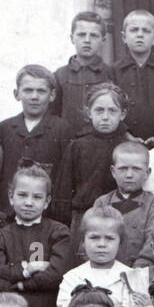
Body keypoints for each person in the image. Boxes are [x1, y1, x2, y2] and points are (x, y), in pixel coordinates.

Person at [0, 162, 72, 307]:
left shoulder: (58, 232)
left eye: (37, 197)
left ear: (47, 201)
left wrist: (20, 283)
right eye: (22, 195)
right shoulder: (0, 235)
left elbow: (56, 274)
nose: (29, 202)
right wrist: (26, 269)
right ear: (11, 197)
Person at [57, 83, 140, 239]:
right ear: (89, 112)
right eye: (99, 110)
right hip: (83, 219)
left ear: (122, 114)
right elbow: (64, 189)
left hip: (120, 218)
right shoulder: (77, 146)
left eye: (112, 111)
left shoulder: (128, 148)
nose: (105, 117)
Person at [0, 65, 71, 218]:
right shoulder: (4, 128)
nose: (34, 96)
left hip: (48, 215)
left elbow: (65, 177)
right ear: (17, 93)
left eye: (41, 91)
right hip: (9, 214)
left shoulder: (62, 129)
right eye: (28, 90)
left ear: (52, 95)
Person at [50, 206, 134, 307]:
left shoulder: (130, 277)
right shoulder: (73, 276)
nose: (101, 244)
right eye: (94, 237)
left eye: (109, 238)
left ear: (120, 242)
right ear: (83, 241)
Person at [87, 139, 154, 268]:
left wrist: (139, 268)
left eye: (136, 169)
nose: (129, 175)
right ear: (113, 172)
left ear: (147, 173)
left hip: (139, 270)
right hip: (105, 268)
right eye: (123, 169)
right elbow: (92, 237)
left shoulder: (153, 203)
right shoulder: (102, 202)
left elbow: (153, 239)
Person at [111, 10, 154, 146]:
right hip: (123, 141)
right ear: (124, 37)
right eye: (134, 30)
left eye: (146, 31)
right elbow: (112, 105)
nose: (140, 35)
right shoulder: (114, 70)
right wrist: (125, 134)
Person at [49, 11, 116, 137]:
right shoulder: (59, 76)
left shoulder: (111, 74)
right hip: (67, 143)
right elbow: (52, 115)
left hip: (102, 142)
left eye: (94, 36)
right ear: (72, 38)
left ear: (103, 39)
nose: (87, 40)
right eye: (81, 34)